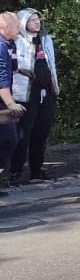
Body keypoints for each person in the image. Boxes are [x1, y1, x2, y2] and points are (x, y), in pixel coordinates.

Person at [9, 8, 59, 184]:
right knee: (24, 133)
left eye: (38, 19)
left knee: (42, 131)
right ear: (23, 22)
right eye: (32, 20)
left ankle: (37, 170)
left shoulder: (46, 40)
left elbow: (51, 64)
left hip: (47, 93)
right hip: (26, 94)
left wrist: (54, 86)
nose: (37, 22)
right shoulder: (17, 41)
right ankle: (15, 171)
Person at [0, 12, 23, 195]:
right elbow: (1, 78)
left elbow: (10, 68)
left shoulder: (9, 44)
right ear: (5, 27)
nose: (20, 29)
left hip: (5, 96)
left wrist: (23, 71)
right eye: (16, 26)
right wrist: (10, 104)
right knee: (9, 139)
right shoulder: (0, 45)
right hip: (2, 99)